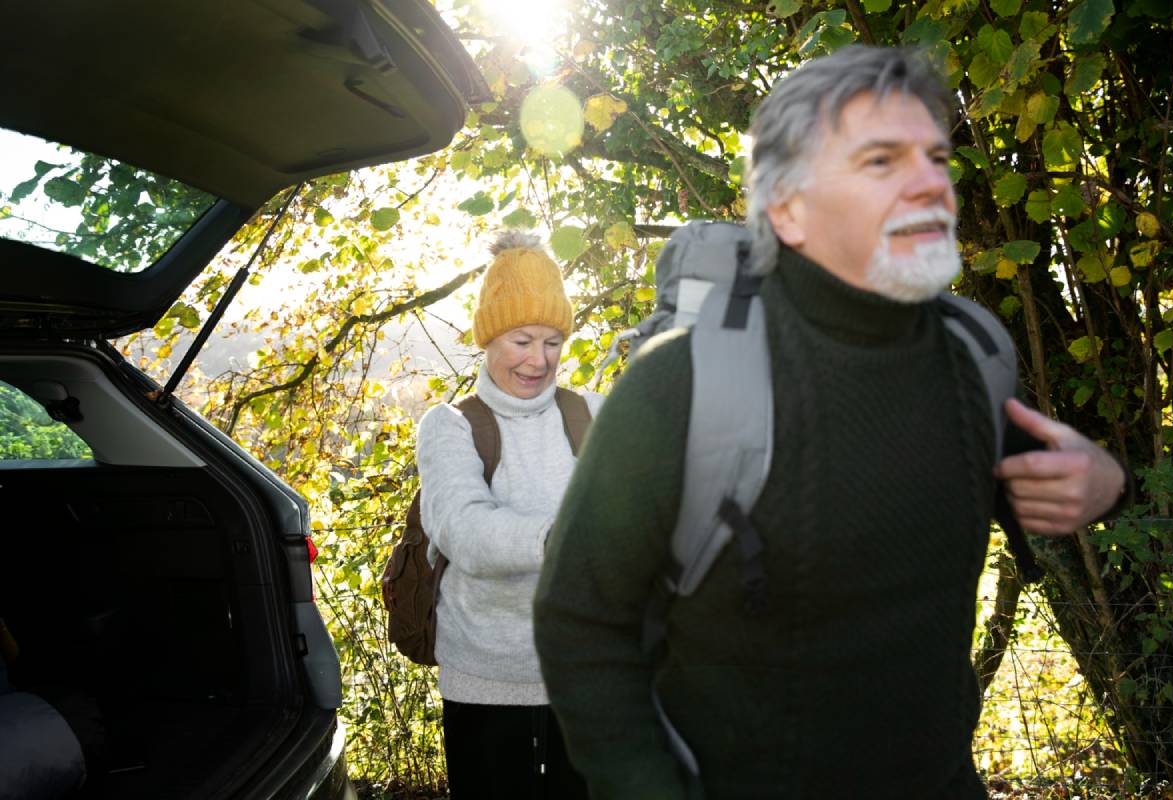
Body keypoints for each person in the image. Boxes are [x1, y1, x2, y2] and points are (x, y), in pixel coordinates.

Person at [532, 46, 1128, 799]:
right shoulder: (681, 385)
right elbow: (579, 620)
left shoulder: (977, 359)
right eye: (881, 161)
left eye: (936, 157)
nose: (930, 184)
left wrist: (1111, 479)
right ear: (787, 207)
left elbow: (1054, 485)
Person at [415, 230, 599, 799]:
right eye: (522, 339)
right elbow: (463, 529)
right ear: (489, 337)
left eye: (552, 341)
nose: (538, 360)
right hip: (486, 676)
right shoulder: (450, 425)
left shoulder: (593, 413)